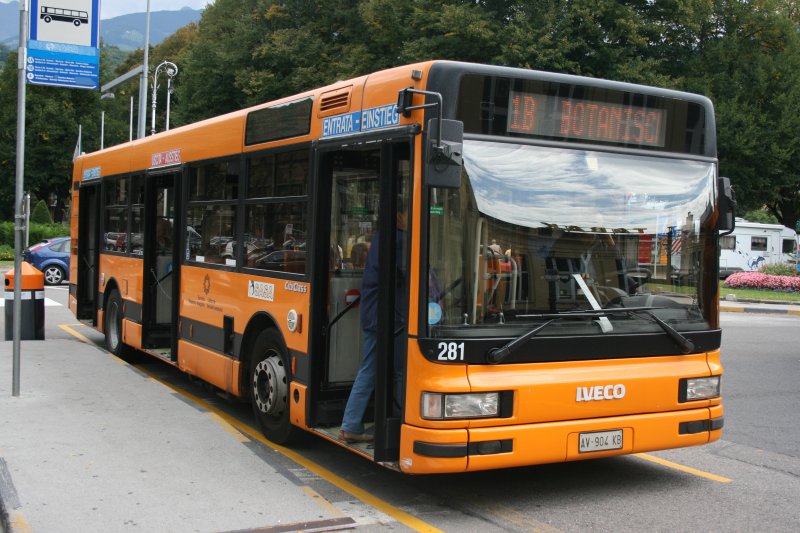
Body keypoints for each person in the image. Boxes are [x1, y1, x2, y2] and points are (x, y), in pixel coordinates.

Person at [340, 204, 407, 443]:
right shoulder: (399, 240)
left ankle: (354, 423)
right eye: (408, 213)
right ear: (399, 215)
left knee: (374, 368)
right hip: (388, 317)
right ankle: (393, 422)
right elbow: (407, 274)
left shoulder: (381, 238)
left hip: (375, 315)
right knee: (393, 370)